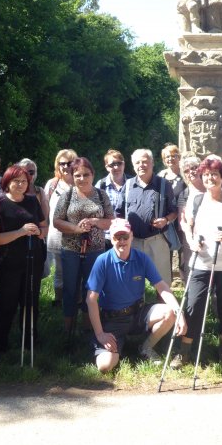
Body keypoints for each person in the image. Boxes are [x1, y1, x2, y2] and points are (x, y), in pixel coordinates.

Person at [172, 157, 222, 368]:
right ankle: (185, 351)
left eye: (214, 174)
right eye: (206, 175)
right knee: (194, 305)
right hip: (202, 263)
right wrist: (190, 241)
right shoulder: (196, 200)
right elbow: (187, 226)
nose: (209, 178)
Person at [86, 219, 186, 373]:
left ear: (132, 236)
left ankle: (145, 347)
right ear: (111, 239)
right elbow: (91, 299)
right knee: (105, 366)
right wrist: (100, 334)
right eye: (117, 237)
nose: (122, 241)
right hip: (113, 319)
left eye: (125, 237)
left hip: (138, 313)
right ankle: (114, 345)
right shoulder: (102, 261)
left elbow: (162, 287)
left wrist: (179, 312)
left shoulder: (142, 258)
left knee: (170, 312)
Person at [0, 165, 47, 364]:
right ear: (7, 183)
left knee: (31, 304)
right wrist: (20, 232)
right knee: (6, 305)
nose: (20, 184)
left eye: (24, 181)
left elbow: (43, 227)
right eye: (16, 181)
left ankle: (30, 342)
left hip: (32, 261)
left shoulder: (32, 201)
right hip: (7, 263)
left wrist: (39, 232)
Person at [53, 157, 113, 337]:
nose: (82, 178)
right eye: (77, 175)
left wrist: (95, 221)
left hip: (95, 250)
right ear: (72, 176)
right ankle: (68, 329)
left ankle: (89, 328)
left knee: (92, 288)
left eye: (86, 174)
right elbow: (56, 221)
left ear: (93, 175)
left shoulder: (102, 195)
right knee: (70, 288)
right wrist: (76, 229)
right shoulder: (67, 195)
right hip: (71, 250)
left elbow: (111, 222)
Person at [117, 149, 178, 284]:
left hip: (157, 240)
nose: (141, 165)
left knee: (162, 281)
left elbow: (174, 211)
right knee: (132, 280)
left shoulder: (164, 184)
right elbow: (119, 213)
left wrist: (166, 220)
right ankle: (136, 304)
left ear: (152, 163)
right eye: (137, 162)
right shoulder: (127, 185)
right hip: (133, 241)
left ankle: (164, 305)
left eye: (145, 161)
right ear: (133, 165)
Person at [43, 149, 77, 306]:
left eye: (68, 163)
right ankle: (58, 301)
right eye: (61, 163)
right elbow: (44, 210)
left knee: (76, 271)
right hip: (56, 236)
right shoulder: (52, 184)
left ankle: (77, 301)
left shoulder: (80, 181)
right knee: (59, 272)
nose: (65, 166)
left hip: (77, 236)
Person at [158, 143, 186, 286]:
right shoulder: (160, 176)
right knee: (164, 253)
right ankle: (166, 285)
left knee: (183, 253)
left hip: (181, 219)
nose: (170, 159)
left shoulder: (185, 176)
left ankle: (184, 282)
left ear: (179, 157)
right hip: (165, 220)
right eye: (167, 156)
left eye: (174, 156)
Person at [177, 153, 205, 280]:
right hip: (191, 240)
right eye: (186, 170)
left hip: (212, 239)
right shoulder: (184, 194)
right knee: (192, 274)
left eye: (194, 168)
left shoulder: (212, 189)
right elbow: (181, 221)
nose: (191, 172)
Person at [96, 149, 127, 250]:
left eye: (119, 163)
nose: (116, 167)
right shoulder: (100, 186)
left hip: (127, 237)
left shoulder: (133, 184)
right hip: (106, 238)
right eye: (112, 164)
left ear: (124, 164)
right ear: (106, 167)